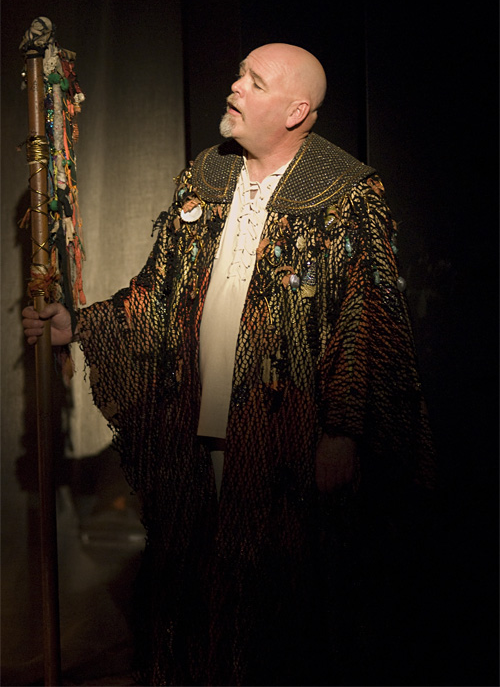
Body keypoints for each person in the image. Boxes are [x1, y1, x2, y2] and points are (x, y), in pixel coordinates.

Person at [23, 43, 435, 686]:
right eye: (240, 74)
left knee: (280, 600)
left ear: (296, 111)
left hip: (286, 434)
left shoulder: (346, 192)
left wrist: (343, 429)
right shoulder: (207, 176)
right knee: (197, 585)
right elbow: (158, 293)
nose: (235, 87)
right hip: (197, 422)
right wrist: (77, 326)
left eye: (255, 81)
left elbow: (366, 318)